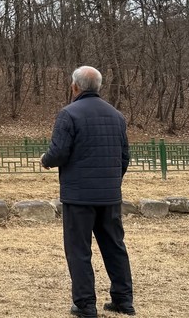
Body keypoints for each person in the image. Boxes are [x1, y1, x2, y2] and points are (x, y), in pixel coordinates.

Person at [40, 66, 135, 318]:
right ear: (98, 87)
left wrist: (45, 160)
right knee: (115, 246)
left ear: (75, 87)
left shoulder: (68, 114)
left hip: (79, 197)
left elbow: (59, 152)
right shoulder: (117, 116)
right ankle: (123, 300)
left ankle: (85, 304)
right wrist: (112, 182)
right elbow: (124, 156)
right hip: (109, 195)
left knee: (79, 250)